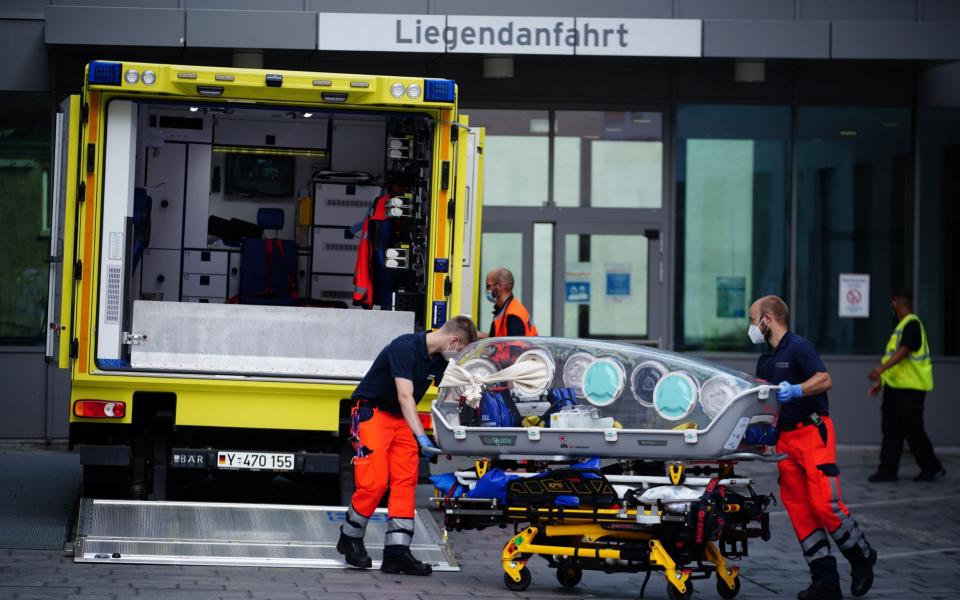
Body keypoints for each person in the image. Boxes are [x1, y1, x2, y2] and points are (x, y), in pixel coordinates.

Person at [749, 295, 876, 600]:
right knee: (801, 512)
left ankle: (861, 557)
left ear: (768, 319)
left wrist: (798, 390)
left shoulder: (798, 347)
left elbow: (825, 379)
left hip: (812, 432)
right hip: (786, 440)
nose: (751, 327)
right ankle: (825, 581)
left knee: (824, 504)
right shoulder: (765, 360)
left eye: (753, 320)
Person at [336, 315, 478, 575]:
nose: (456, 357)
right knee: (374, 482)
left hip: (400, 420)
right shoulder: (404, 347)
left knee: (405, 481)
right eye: (459, 350)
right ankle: (350, 537)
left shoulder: (437, 360)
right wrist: (421, 437)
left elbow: (454, 391)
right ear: (454, 340)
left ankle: (397, 553)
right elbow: (405, 396)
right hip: (373, 413)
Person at [867, 289, 944, 483]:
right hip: (896, 388)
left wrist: (880, 369)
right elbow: (898, 362)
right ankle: (887, 470)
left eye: (892, 305)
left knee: (913, 429)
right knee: (891, 429)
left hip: (911, 388)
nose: (891, 308)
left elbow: (905, 351)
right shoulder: (901, 327)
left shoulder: (912, 324)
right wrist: (881, 382)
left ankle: (932, 468)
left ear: (896, 304)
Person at [480, 268, 538, 338]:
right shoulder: (508, 309)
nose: (486, 290)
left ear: (500, 286)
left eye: (488, 286)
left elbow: (514, 347)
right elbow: (497, 340)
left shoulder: (513, 316)